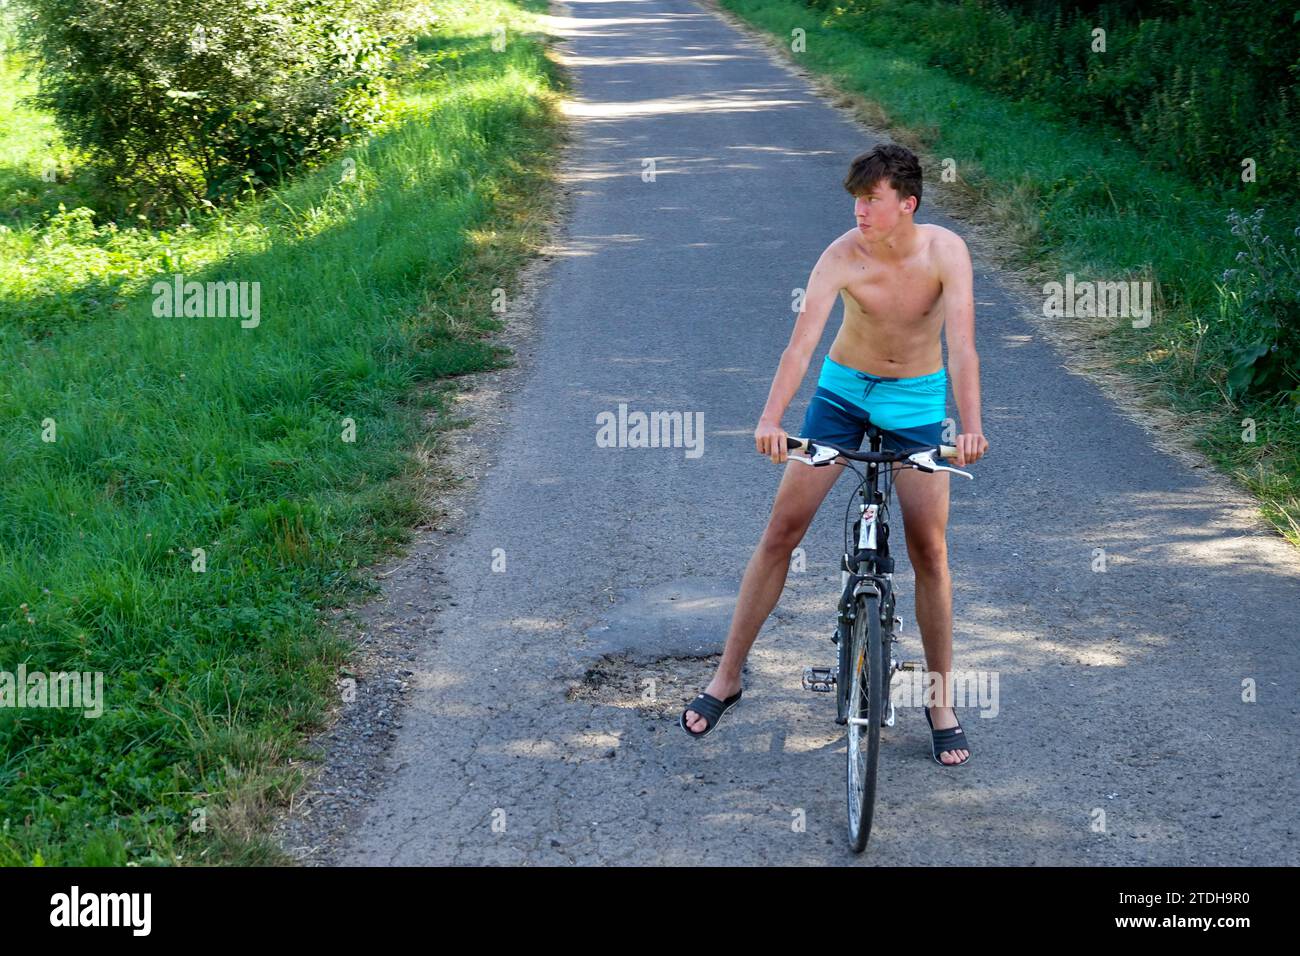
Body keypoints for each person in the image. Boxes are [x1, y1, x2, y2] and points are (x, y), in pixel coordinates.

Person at [680, 143, 989, 765]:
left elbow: (964, 346)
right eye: (856, 197)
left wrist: (973, 429)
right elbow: (801, 346)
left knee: (929, 547)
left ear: (908, 203)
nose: (860, 210)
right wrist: (771, 419)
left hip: (917, 402)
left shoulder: (945, 253)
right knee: (782, 531)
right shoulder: (840, 256)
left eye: (872, 199)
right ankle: (728, 675)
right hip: (843, 393)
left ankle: (939, 700)